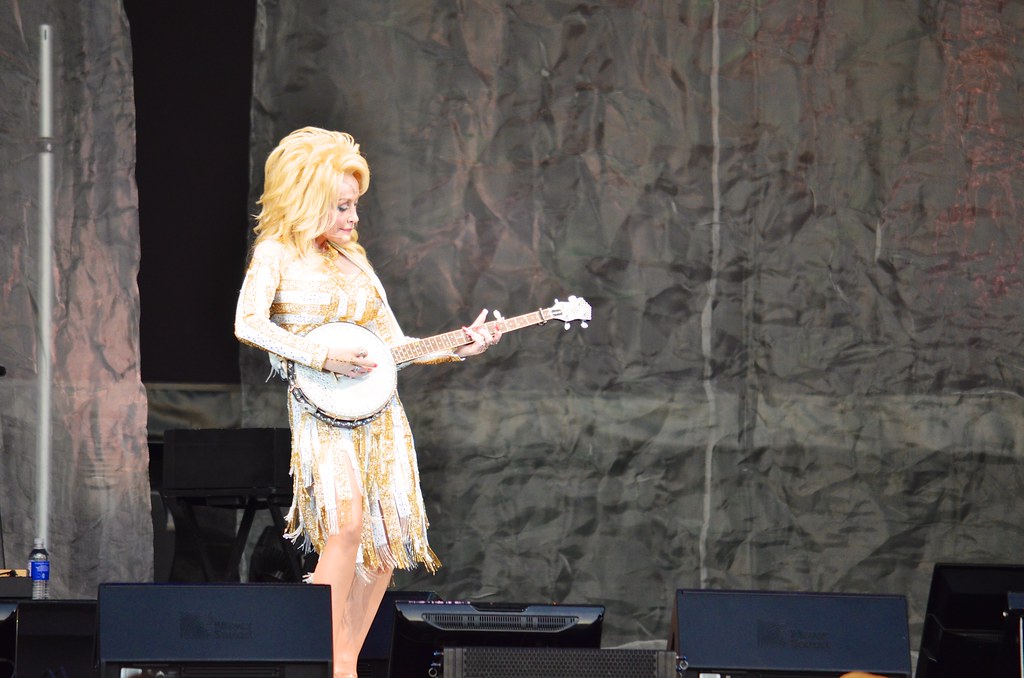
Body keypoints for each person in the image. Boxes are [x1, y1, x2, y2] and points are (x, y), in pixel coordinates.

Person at [234, 126, 500, 677]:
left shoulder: (355, 261)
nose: (353, 218)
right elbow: (247, 323)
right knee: (347, 524)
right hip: (322, 415)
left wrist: (459, 347)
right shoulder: (276, 254)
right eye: (342, 207)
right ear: (308, 199)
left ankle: (345, 666)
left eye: (355, 206)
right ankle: (325, 662)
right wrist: (316, 355)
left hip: (380, 417)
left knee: (381, 544)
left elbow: (396, 347)